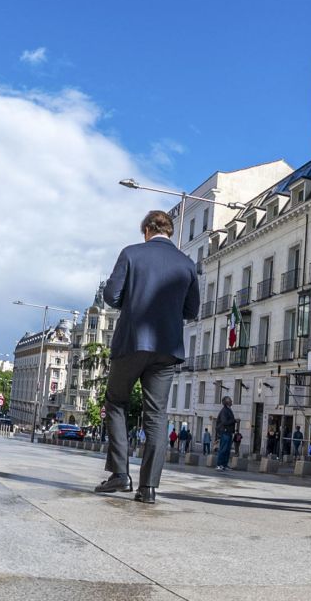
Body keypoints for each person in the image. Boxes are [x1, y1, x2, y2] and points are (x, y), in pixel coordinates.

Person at [94, 211, 200, 504]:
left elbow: (111, 296)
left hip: (132, 341)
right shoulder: (187, 265)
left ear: (147, 231)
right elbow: (191, 311)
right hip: (167, 349)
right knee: (157, 415)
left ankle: (120, 474)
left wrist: (134, 300)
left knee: (116, 401)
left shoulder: (131, 254)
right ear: (170, 231)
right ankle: (148, 488)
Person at [215, 396, 237, 471]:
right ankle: (219, 464)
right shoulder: (224, 410)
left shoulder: (228, 410)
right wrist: (234, 421)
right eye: (230, 400)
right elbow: (224, 422)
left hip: (229, 432)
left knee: (227, 450)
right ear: (226, 402)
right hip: (225, 432)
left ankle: (224, 464)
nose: (232, 401)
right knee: (223, 449)